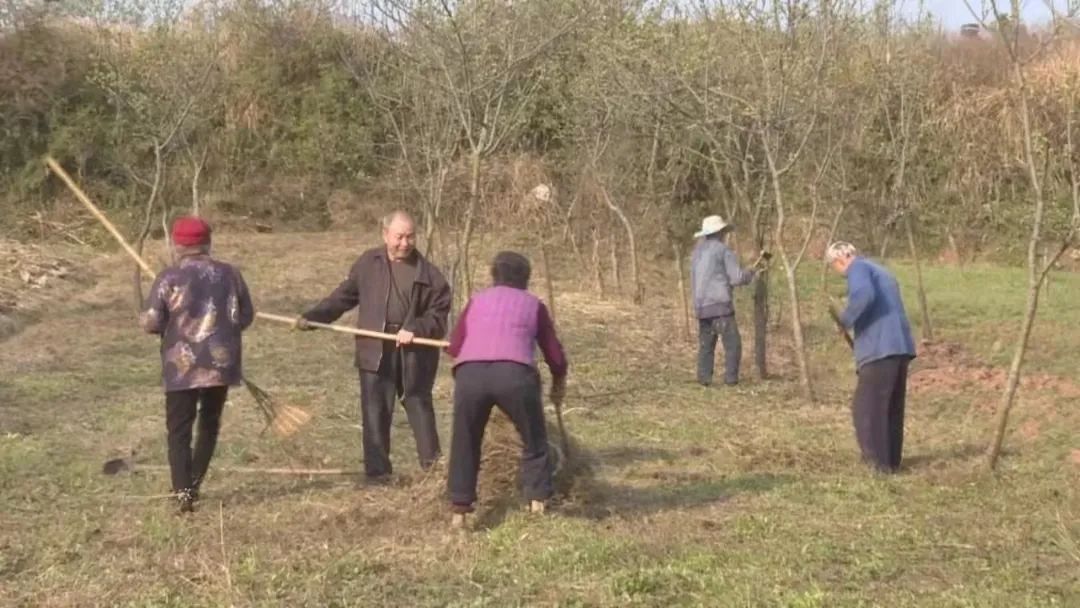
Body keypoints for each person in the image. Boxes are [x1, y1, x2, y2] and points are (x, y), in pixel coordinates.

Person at [295, 211, 451, 481]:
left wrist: (414, 329)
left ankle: (433, 472)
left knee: (418, 406)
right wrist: (314, 317)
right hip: (374, 348)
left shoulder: (430, 275)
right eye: (399, 237)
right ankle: (378, 474)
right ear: (385, 234)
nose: (405, 243)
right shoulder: (369, 263)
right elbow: (344, 297)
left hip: (415, 354)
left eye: (410, 236)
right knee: (375, 409)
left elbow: (438, 317)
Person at [139, 216, 254, 513]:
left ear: (177, 245)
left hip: (182, 366)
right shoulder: (230, 274)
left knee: (179, 429)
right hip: (220, 363)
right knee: (209, 424)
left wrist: (148, 318)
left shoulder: (169, 277)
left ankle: (182, 492)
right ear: (208, 242)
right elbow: (245, 316)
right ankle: (193, 483)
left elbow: (152, 323)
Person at [445, 251, 568, 529]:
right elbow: (554, 354)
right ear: (526, 278)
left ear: (494, 275)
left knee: (465, 440)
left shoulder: (477, 301)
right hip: (515, 375)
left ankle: (460, 512)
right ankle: (537, 502)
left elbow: (453, 347)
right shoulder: (533, 305)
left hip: (470, 375)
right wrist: (559, 379)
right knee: (534, 439)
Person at [825, 241, 916, 473]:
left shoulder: (858, 269)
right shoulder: (881, 270)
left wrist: (846, 320)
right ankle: (891, 462)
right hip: (899, 346)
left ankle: (876, 464)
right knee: (890, 407)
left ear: (839, 260)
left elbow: (864, 295)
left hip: (879, 347)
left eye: (834, 266)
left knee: (866, 409)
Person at [689, 215, 762, 387]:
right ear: (721, 232)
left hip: (701, 305)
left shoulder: (696, 254)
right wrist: (751, 272)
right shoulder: (723, 251)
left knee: (706, 344)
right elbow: (736, 278)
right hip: (720, 305)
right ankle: (731, 379)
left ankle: (704, 378)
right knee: (733, 344)